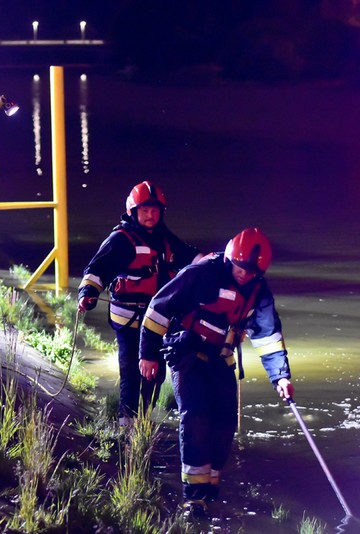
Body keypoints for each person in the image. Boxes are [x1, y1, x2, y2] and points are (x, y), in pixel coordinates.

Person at [138, 227, 294, 520]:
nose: (244, 275)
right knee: (195, 416)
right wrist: (147, 355)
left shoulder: (259, 291)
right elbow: (158, 309)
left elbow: (269, 336)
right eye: (241, 268)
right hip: (187, 355)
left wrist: (281, 377)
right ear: (230, 258)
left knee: (224, 423)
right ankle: (194, 499)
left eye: (251, 272)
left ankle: (210, 488)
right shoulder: (203, 273)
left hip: (221, 360)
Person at [78, 181, 203, 426]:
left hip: (157, 322)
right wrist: (87, 293)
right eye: (145, 210)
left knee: (156, 374)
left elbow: (188, 256)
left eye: (155, 210)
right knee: (132, 372)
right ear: (133, 211)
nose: (150, 215)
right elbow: (97, 270)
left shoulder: (164, 238)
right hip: (129, 320)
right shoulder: (120, 240)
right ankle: (127, 425)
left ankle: (143, 420)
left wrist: (210, 262)